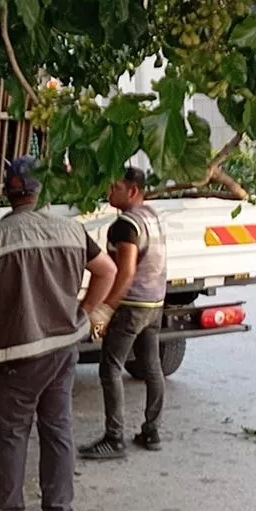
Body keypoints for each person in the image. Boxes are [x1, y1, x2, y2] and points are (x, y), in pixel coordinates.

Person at [0, 156, 117, 511]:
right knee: (57, 427)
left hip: (17, 354)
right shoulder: (71, 230)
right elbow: (107, 270)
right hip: (63, 348)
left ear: (7, 191)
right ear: (41, 188)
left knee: (10, 433)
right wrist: (85, 310)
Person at [80, 167, 168, 460]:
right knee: (152, 367)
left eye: (115, 187)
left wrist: (105, 309)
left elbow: (125, 271)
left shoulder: (124, 226)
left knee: (110, 368)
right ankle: (151, 431)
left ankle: (114, 438)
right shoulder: (152, 216)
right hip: (155, 303)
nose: (109, 193)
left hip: (132, 306)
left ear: (132, 191)